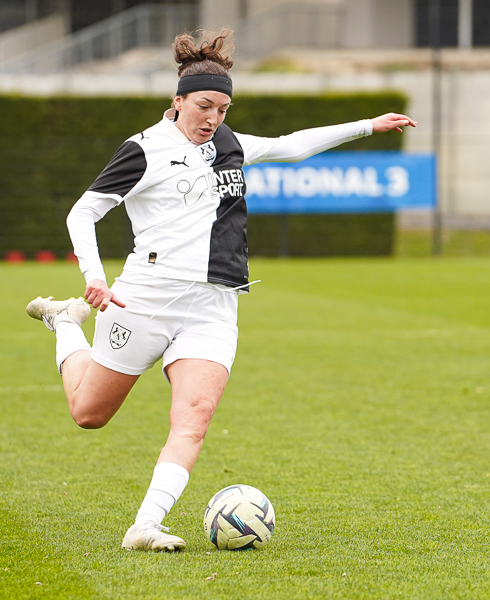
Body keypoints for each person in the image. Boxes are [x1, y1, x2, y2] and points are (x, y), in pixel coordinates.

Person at [24, 29, 416, 552]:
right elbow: (83, 212)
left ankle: (144, 526)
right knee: (89, 414)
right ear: (178, 100)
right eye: (204, 105)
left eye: (223, 109)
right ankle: (66, 323)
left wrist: (370, 124)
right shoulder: (144, 149)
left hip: (214, 305)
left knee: (196, 415)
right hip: (145, 298)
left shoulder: (228, 144)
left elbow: (292, 145)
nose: (213, 118)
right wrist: (94, 276)